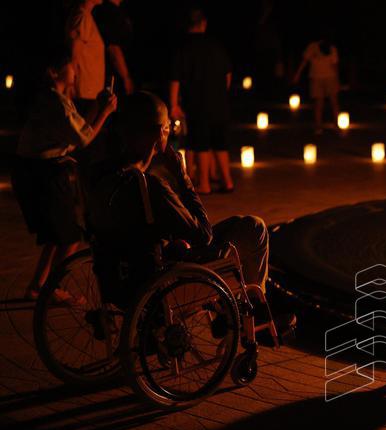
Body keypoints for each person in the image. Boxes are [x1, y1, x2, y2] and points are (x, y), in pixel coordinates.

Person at [88, 92, 290, 338]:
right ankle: (248, 314)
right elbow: (203, 235)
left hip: (118, 278)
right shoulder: (149, 186)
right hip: (165, 275)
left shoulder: (102, 174)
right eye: (167, 128)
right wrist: (183, 178)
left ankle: (236, 313)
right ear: (159, 133)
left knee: (237, 223)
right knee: (254, 228)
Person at [13, 49, 117, 300]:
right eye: (72, 66)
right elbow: (83, 139)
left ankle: (38, 286)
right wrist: (105, 112)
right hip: (42, 173)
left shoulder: (55, 99)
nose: (76, 71)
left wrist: (98, 106)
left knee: (56, 234)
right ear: (54, 71)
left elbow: (79, 129)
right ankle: (52, 288)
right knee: (69, 235)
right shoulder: (55, 102)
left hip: (39, 170)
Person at [169, 6, 234, 195]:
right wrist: (221, 93)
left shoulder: (183, 48)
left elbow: (175, 79)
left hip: (197, 103)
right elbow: (228, 75)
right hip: (220, 102)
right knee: (220, 143)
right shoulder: (216, 45)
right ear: (203, 23)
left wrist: (173, 105)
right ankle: (227, 181)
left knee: (201, 143)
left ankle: (204, 184)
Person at [292, 36, 340, 134]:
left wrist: (337, 79)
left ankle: (336, 124)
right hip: (316, 78)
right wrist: (298, 74)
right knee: (319, 103)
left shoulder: (331, 48)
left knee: (333, 102)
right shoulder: (312, 47)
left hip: (330, 77)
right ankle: (318, 126)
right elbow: (304, 61)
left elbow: (335, 64)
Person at [66, 0, 106, 114]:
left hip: (88, 91)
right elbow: (75, 52)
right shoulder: (83, 17)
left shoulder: (85, 16)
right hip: (84, 91)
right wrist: (71, 84)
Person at [93, 0, 135, 95]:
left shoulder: (119, 11)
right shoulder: (109, 12)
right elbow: (113, 48)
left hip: (119, 75)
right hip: (114, 76)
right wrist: (125, 76)